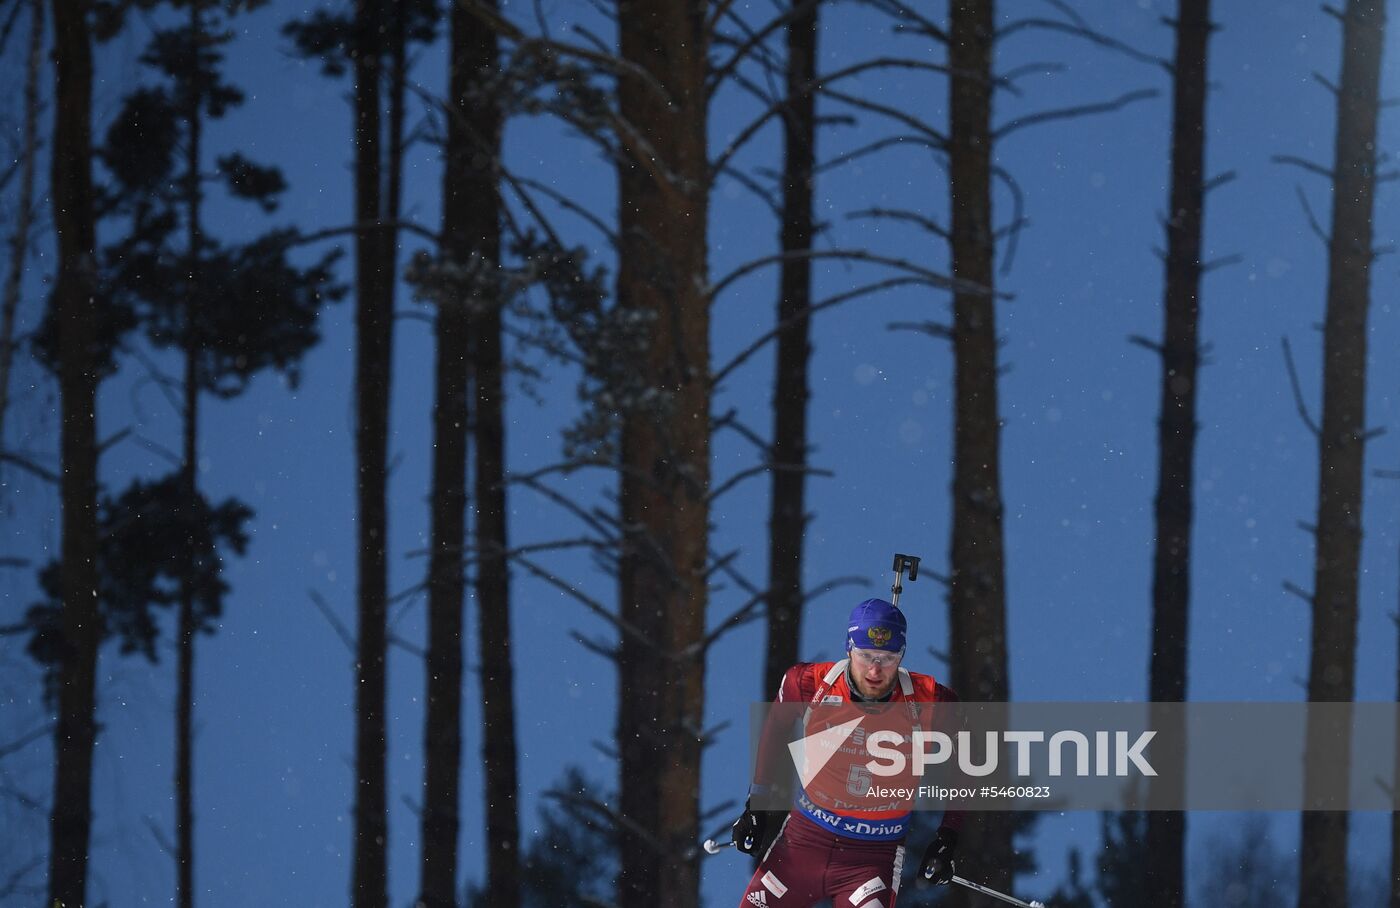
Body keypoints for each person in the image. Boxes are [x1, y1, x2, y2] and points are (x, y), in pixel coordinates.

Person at [731, 598, 962, 908]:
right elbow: (775, 731)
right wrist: (756, 804)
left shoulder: (933, 701)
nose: (875, 669)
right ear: (848, 647)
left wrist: (948, 837)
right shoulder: (809, 684)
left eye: (888, 657)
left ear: (902, 655)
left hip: (871, 859)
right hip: (802, 846)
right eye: (866, 655)